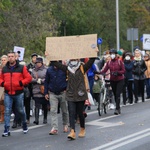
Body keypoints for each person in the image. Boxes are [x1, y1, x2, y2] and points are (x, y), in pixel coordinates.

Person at [51, 56, 96, 140]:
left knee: (80, 113)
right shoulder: (67, 69)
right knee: (71, 112)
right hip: (70, 94)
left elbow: (91, 61)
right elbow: (55, 63)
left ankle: (82, 128)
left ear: (78, 59)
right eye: (72, 59)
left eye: (75, 59)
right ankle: (72, 131)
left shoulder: (83, 67)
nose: (73, 61)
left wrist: (94, 52)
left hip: (80, 94)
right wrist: (50, 55)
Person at [0, 51, 32, 137]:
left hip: (18, 93)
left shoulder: (21, 67)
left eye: (12, 56)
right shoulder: (4, 69)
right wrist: (3, 84)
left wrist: (21, 83)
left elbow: (28, 78)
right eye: (9, 56)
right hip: (8, 93)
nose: (10, 58)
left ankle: (24, 124)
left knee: (20, 110)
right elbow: (0, 79)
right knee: (7, 111)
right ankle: (6, 129)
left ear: (15, 57)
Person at [44, 62, 69, 135]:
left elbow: (69, 79)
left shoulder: (64, 69)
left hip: (63, 92)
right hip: (52, 92)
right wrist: (46, 92)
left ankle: (65, 124)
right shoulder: (49, 70)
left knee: (64, 110)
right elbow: (46, 81)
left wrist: (67, 89)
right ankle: (54, 128)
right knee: (53, 110)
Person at [100, 49, 125, 115]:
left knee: (117, 94)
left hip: (120, 80)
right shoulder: (109, 63)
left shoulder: (120, 62)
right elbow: (104, 70)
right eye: (111, 54)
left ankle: (117, 108)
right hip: (112, 80)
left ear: (116, 55)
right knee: (114, 94)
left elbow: (123, 71)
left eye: (113, 54)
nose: (112, 55)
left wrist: (118, 73)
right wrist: (99, 73)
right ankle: (117, 106)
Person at [31, 57, 48, 125]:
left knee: (45, 105)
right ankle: (36, 119)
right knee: (37, 105)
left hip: (44, 89)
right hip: (36, 89)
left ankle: (45, 118)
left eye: (39, 63)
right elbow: (30, 79)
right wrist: (36, 80)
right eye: (36, 63)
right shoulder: (33, 70)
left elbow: (47, 78)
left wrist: (41, 80)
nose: (38, 64)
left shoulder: (46, 70)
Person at [27, 53, 38, 117]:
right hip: (30, 84)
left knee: (37, 97)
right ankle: (31, 110)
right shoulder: (29, 66)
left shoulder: (38, 66)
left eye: (36, 58)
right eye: (33, 58)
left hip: (37, 84)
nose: (34, 59)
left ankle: (38, 108)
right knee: (30, 97)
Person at [0, 55, 8, 123]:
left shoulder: (8, 68)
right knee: (1, 102)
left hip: (7, 86)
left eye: (4, 60)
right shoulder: (0, 68)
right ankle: (2, 115)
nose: (3, 61)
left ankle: (6, 114)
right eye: (2, 60)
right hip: (1, 86)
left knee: (6, 101)